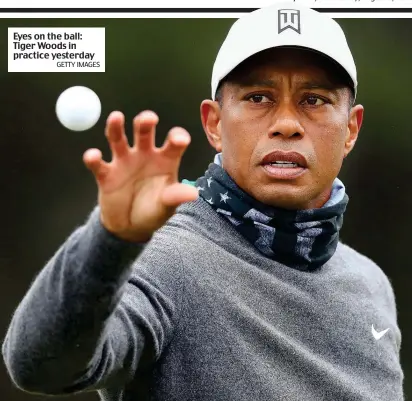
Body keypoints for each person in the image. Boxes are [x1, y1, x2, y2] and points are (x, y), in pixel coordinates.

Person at [2, 2, 404, 401]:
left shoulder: (370, 284)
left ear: (350, 129)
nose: (286, 124)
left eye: (313, 100)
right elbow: (40, 366)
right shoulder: (167, 260)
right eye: (259, 98)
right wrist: (110, 240)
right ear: (214, 123)